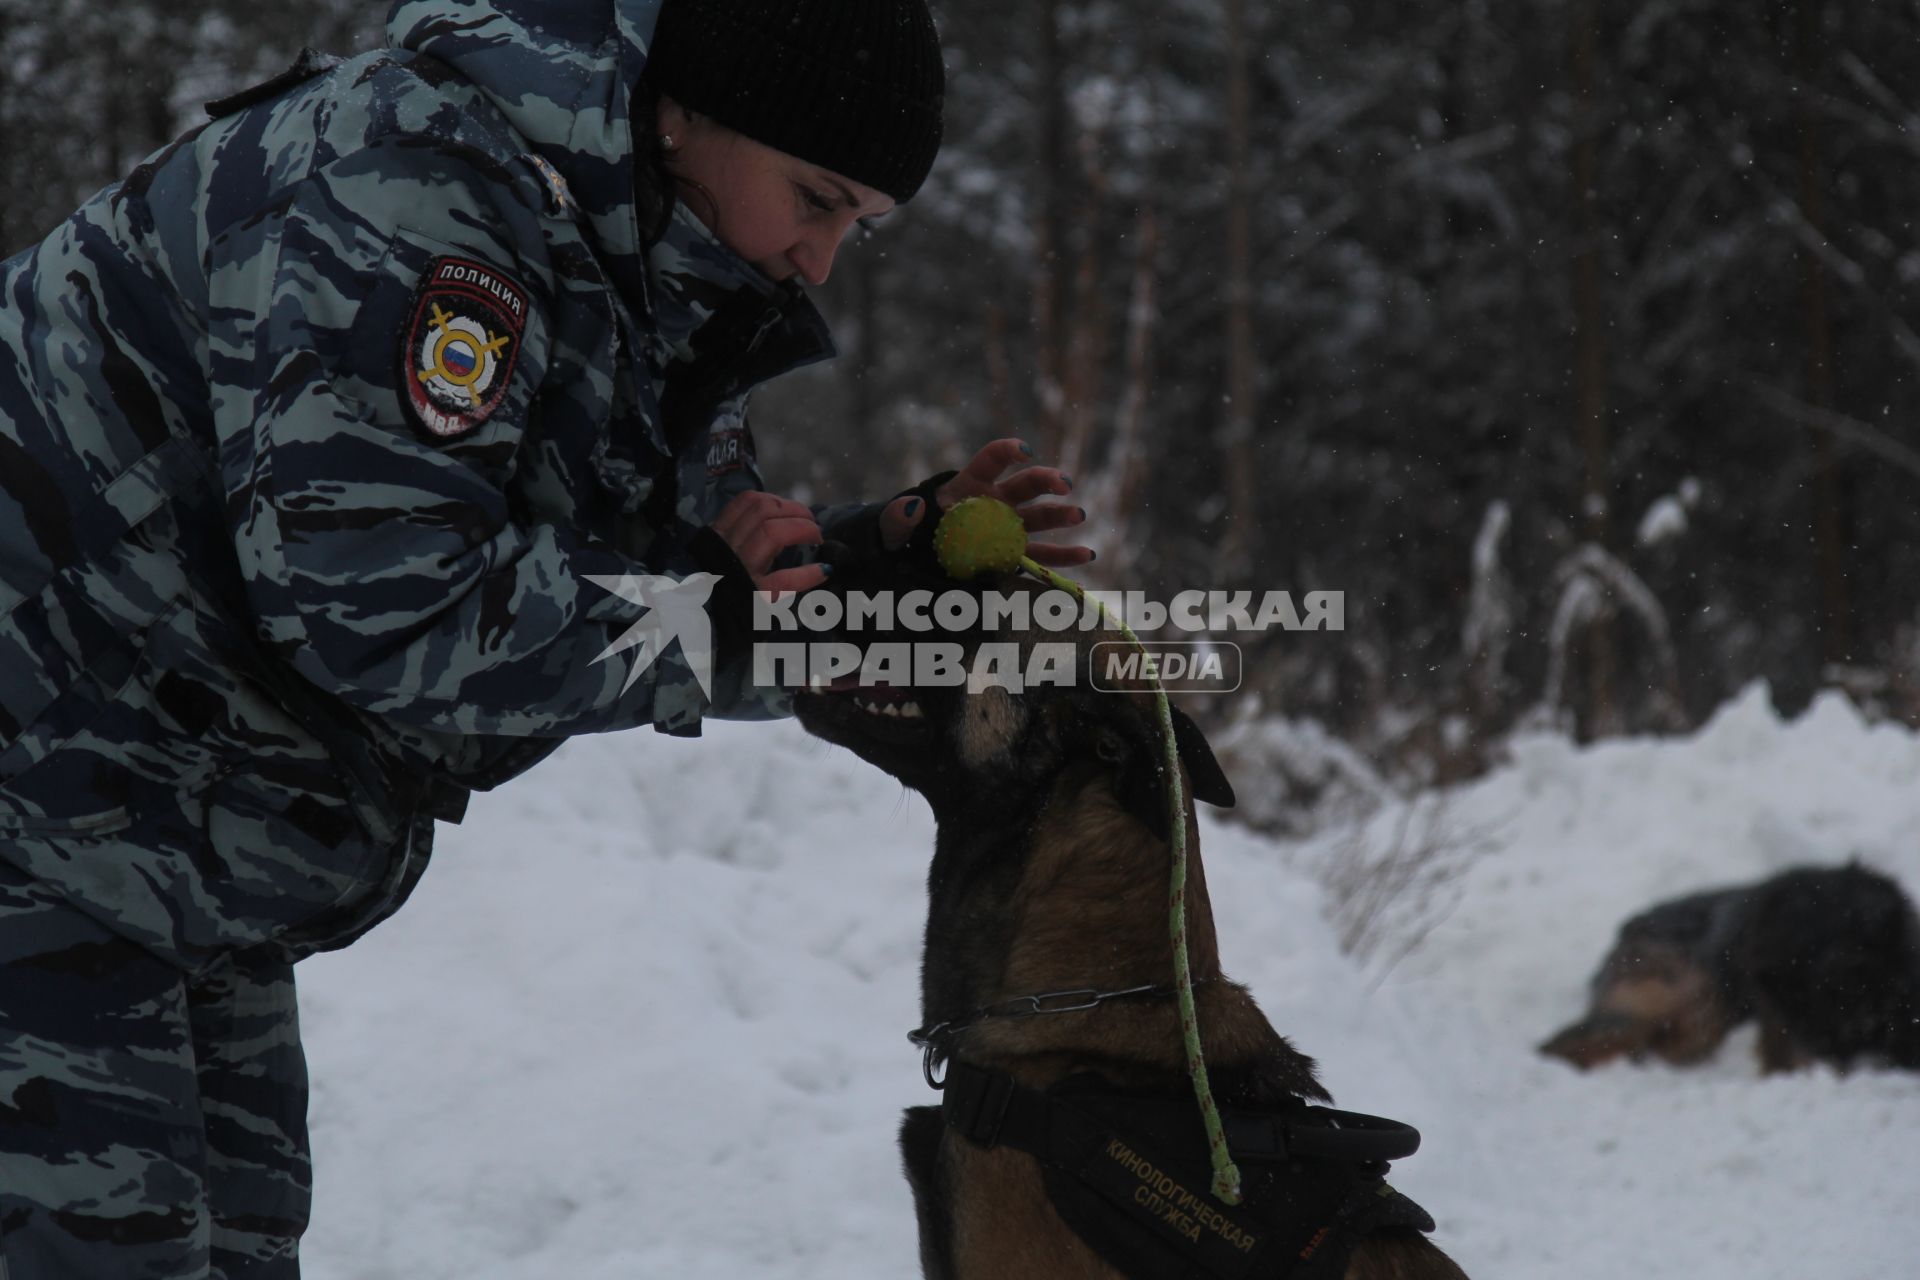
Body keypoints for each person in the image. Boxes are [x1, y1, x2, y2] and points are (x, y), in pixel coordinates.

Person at [0, 0, 1088, 1275]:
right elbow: (383, 606)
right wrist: (714, 606)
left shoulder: (653, 258)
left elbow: (676, 573)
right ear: (689, 110)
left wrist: (880, 565)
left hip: (167, 825)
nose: (822, 258)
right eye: (816, 197)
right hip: (49, 790)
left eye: (861, 223)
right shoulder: (425, 192)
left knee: (234, 1244)